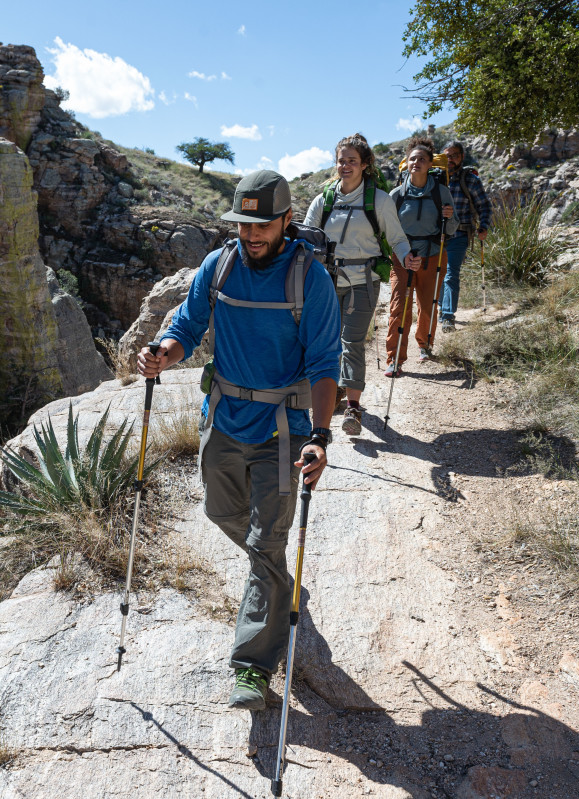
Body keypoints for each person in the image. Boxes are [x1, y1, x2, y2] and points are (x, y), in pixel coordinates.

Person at [137, 170, 340, 712]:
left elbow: (324, 364)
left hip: (284, 433)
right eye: (244, 223)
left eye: (262, 223)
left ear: (286, 220)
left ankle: (251, 666)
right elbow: (188, 324)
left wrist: (321, 435)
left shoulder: (309, 278)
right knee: (220, 512)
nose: (252, 234)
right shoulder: (219, 265)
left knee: (265, 543)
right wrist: (163, 352)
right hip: (224, 422)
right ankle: (280, 586)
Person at [303, 133, 412, 437]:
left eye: (352, 160)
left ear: (365, 164)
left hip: (365, 281)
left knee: (352, 341)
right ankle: (330, 391)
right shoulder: (323, 200)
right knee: (325, 341)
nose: (345, 165)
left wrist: (407, 258)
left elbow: (397, 238)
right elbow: (307, 238)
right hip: (327, 281)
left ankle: (353, 406)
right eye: (341, 160)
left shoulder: (378, 200)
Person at [384, 137, 456, 375]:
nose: (416, 162)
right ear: (407, 162)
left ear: (429, 164)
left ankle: (425, 345)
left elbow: (452, 228)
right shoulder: (396, 195)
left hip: (433, 255)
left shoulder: (441, 192)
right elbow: (387, 230)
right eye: (413, 158)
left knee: (428, 305)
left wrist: (449, 215)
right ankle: (395, 358)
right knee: (399, 307)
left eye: (422, 159)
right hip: (402, 258)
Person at [440, 141, 493, 332]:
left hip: (460, 234)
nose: (450, 160)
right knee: (438, 275)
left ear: (461, 157)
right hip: (435, 237)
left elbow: (485, 206)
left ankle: (447, 316)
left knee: (450, 274)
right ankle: (441, 309)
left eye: (454, 155)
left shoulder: (470, 180)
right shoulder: (435, 179)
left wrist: (484, 226)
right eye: (447, 156)